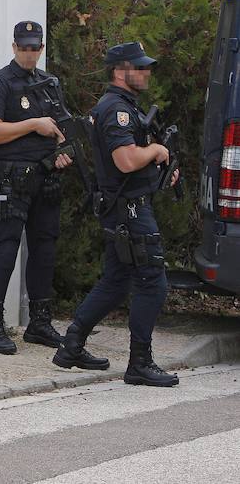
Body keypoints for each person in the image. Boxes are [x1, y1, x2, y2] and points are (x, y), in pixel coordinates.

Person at [53, 42, 180, 387]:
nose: (146, 72)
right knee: (152, 282)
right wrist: (155, 149)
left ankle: (72, 345)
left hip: (123, 207)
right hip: (130, 211)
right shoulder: (116, 110)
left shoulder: (121, 107)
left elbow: (129, 163)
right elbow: (124, 161)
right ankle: (140, 363)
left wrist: (161, 166)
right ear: (120, 71)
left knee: (116, 280)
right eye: (140, 67)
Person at [0, 21, 74, 355]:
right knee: (5, 248)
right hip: (12, 179)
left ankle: (39, 324)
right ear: (14, 46)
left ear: (41, 48)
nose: (30, 53)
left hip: (46, 179)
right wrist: (33, 124)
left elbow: (64, 132)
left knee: (44, 249)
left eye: (35, 48)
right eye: (24, 47)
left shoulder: (49, 84)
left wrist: (64, 155)